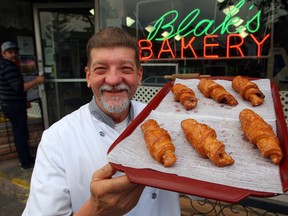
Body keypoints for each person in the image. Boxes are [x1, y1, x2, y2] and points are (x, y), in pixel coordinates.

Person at [22, 27, 181, 215]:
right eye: (101, 69)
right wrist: (95, 210)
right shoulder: (56, 140)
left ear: (139, 76)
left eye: (125, 68)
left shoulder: (165, 120)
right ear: (88, 76)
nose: (113, 79)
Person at [0, 41, 45, 170]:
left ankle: (26, 158)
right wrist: (37, 80)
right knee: (20, 134)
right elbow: (19, 88)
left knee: (20, 133)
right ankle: (25, 162)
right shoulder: (8, 67)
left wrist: (24, 101)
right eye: (10, 52)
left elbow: (13, 89)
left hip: (12, 104)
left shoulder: (6, 65)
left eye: (15, 51)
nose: (14, 54)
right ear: (3, 54)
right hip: (13, 106)